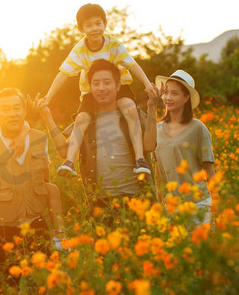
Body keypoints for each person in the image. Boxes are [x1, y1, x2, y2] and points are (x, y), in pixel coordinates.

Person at [40, 3, 153, 179]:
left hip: (119, 85)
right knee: (82, 118)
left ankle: (140, 159)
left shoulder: (114, 44)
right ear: (80, 28)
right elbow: (63, 74)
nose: (95, 28)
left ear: (105, 24)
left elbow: (132, 64)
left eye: (98, 23)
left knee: (130, 109)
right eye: (89, 25)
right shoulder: (79, 50)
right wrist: (48, 97)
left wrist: (147, 83)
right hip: (90, 91)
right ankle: (69, 162)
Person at [34, 59, 158, 219]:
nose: (101, 88)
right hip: (101, 204)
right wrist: (46, 116)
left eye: (107, 82)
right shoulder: (84, 121)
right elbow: (65, 152)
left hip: (137, 200)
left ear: (118, 86)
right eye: (96, 83)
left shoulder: (132, 115)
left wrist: (153, 107)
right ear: (90, 88)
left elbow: (149, 146)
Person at [0, 88, 59, 290]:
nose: (13, 113)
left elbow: (45, 175)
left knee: (43, 286)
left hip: (36, 227)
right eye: (5, 109)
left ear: (24, 111)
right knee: (2, 289)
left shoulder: (38, 137)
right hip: (0, 232)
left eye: (17, 108)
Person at [153, 70, 216, 227]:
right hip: (171, 208)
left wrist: (218, 205)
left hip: (199, 205)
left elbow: (209, 170)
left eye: (175, 93)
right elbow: (158, 173)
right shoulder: (157, 130)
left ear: (186, 97)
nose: (168, 97)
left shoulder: (198, 128)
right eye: (166, 92)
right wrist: (159, 204)